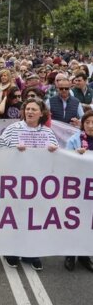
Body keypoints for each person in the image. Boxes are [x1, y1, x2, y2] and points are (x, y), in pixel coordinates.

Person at [0, 98, 59, 271]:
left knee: (35, 219)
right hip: (15, 183)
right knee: (15, 217)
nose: (30, 112)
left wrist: (54, 152)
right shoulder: (12, 130)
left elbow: (57, 160)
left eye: (34, 109)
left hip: (38, 185)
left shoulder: (48, 133)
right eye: (28, 109)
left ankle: (31, 252)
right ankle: (12, 250)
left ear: (42, 113)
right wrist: (14, 151)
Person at [64, 110, 93, 272]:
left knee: (89, 223)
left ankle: (84, 255)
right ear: (83, 125)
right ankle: (70, 254)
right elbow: (66, 161)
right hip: (77, 187)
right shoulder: (75, 140)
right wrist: (75, 155)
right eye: (87, 122)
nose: (90, 126)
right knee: (74, 221)